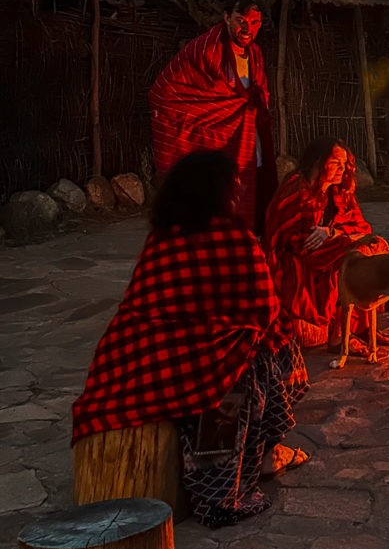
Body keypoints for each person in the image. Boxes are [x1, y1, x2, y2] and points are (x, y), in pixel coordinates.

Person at [71, 150, 309, 529]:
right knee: (261, 355)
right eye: (233, 187)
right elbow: (264, 311)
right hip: (197, 371)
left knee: (248, 347)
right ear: (216, 194)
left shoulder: (162, 241)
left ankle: (253, 455)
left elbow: (142, 306)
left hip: (135, 363)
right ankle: (229, 481)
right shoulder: (234, 241)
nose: (237, 193)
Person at [150, 0, 277, 233]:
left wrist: (251, 108)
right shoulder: (204, 50)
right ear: (227, 17)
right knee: (216, 196)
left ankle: (245, 244)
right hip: (215, 142)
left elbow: (258, 96)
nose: (247, 28)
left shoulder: (256, 54)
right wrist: (217, 114)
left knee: (250, 191)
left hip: (248, 139)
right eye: (241, 20)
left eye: (254, 22)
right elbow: (163, 92)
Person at [264, 136, 389, 349]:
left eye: (344, 164)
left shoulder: (339, 192)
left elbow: (361, 229)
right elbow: (294, 240)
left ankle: (360, 327)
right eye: (335, 163)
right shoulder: (297, 188)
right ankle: (338, 336)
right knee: (347, 262)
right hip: (293, 257)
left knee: (371, 247)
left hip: (326, 248)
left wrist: (332, 233)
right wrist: (339, 243)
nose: (341, 169)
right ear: (318, 162)